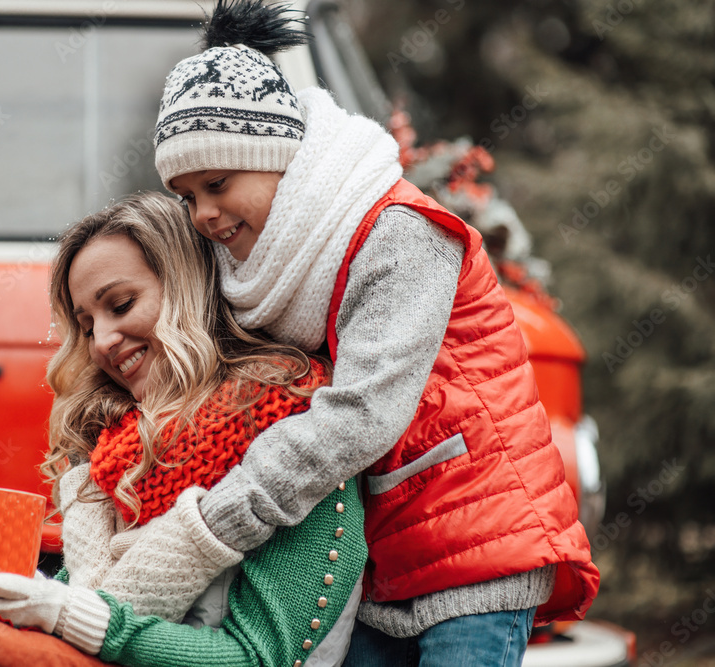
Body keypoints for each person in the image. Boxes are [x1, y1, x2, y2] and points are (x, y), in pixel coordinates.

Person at [81, 2, 600, 666]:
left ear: (275, 160)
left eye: (217, 183)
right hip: (388, 552)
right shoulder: (269, 268)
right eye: (185, 196)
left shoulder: (401, 234)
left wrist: (218, 518)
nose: (204, 214)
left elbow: (361, 413)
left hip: (477, 543)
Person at [0, 191, 367, 667]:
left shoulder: (298, 435)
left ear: (187, 286)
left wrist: (66, 614)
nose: (103, 342)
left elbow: (254, 657)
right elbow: (83, 618)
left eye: (122, 303)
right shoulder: (110, 459)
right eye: (87, 326)